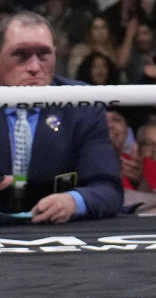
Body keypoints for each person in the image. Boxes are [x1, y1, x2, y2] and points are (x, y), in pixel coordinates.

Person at [0, 11, 123, 222]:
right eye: (21, 55)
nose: (34, 67)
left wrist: (75, 201)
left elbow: (108, 188)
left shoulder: (81, 103)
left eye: (43, 55)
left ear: (55, 55)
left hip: (57, 235)